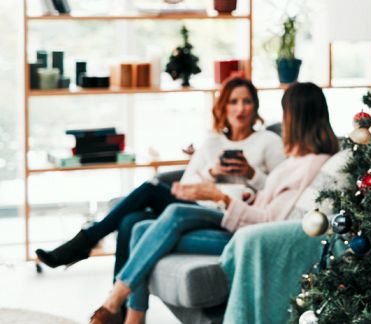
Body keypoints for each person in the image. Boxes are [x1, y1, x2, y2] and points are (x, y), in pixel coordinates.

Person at [88, 82, 340, 324]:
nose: (283, 123)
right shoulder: (296, 161)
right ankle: (134, 316)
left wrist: (220, 197)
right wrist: (243, 194)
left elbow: (269, 221)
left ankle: (115, 302)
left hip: (245, 235)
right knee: (141, 227)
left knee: (162, 216)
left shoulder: (309, 166)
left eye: (286, 115)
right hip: (238, 219)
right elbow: (266, 204)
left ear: (296, 118)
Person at [36, 77, 284, 276]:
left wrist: (251, 174)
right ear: (224, 107)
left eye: (246, 102)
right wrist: (213, 173)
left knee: (152, 187)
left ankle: (86, 241)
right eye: (233, 102)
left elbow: (279, 191)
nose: (240, 109)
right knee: (130, 219)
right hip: (196, 206)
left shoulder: (268, 141)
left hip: (230, 214)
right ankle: (120, 311)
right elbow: (185, 187)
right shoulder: (212, 142)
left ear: (256, 107)